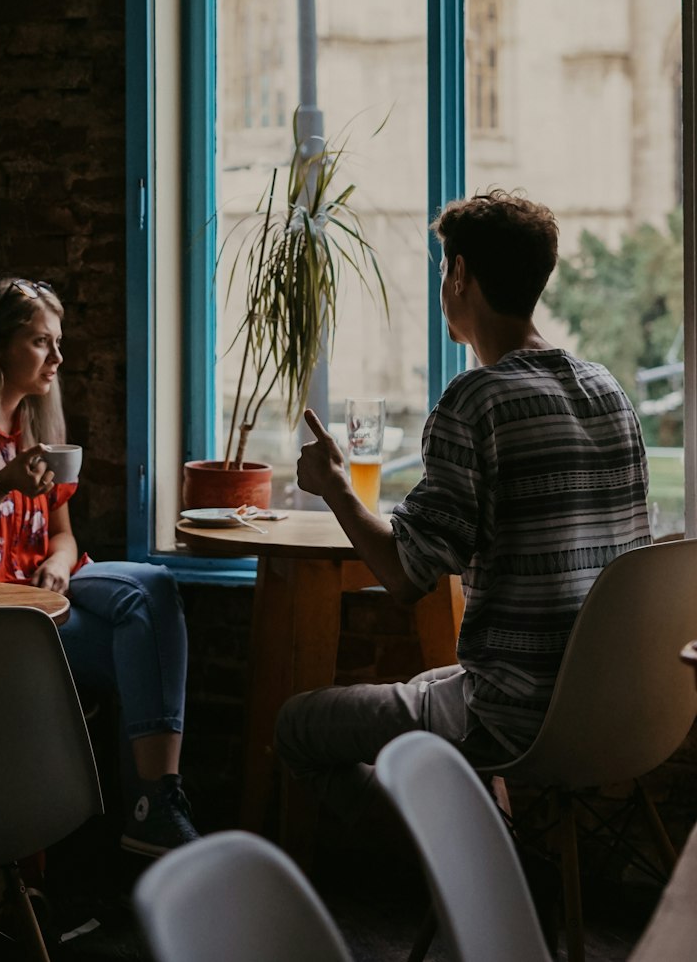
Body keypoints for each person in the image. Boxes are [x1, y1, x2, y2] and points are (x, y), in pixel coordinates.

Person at [275, 191, 652, 831]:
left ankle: (478, 852)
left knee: (296, 729)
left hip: (512, 715)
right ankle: (488, 839)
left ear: (460, 275)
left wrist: (335, 485)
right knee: (436, 679)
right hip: (623, 707)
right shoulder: (608, 390)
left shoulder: (476, 401)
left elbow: (405, 575)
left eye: (442, 271)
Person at [0, 275, 199, 856]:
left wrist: (59, 568)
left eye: (57, 342)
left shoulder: (34, 429)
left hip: (45, 592)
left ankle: (154, 800)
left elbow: (62, 537)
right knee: (135, 648)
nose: (58, 357)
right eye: (41, 342)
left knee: (154, 588)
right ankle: (145, 813)